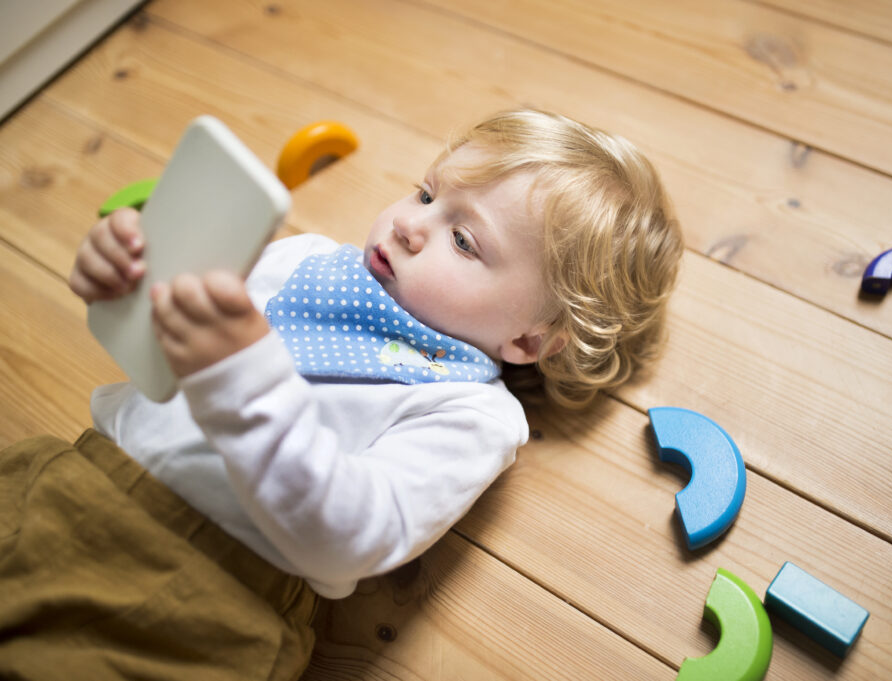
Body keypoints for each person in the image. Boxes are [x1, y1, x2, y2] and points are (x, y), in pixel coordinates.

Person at [1, 109, 683, 679]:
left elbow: (353, 533)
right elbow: (165, 347)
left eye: (464, 239)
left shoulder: (472, 412)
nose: (412, 225)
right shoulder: (306, 260)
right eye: (425, 193)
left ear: (529, 341)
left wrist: (243, 376)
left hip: (200, 589)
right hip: (69, 479)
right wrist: (121, 279)